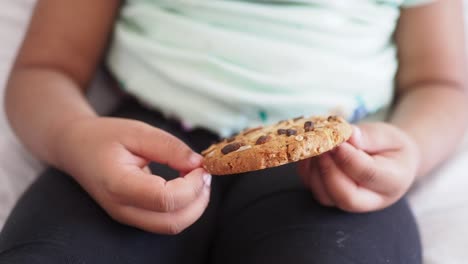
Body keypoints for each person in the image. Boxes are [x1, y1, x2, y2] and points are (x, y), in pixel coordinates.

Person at [0, 0, 466, 263]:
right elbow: (45, 68)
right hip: (137, 145)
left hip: (329, 168)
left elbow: (442, 84)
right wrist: (73, 135)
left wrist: (411, 148)